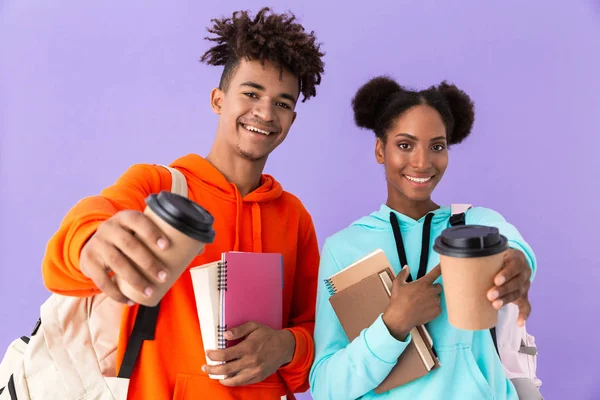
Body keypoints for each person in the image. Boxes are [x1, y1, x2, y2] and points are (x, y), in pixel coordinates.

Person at [41, 7, 325, 400]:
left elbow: (317, 340)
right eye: (251, 93)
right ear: (217, 99)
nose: (264, 111)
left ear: (291, 120)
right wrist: (92, 240)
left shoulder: (295, 217)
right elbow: (76, 244)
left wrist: (287, 346)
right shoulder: (157, 185)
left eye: (282, 102)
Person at [308, 76, 536, 399]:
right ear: (379, 149)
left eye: (437, 146)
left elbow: (511, 243)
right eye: (405, 145)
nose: (422, 161)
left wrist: (519, 264)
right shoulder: (343, 249)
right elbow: (326, 387)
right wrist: (392, 325)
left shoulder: (471, 223)